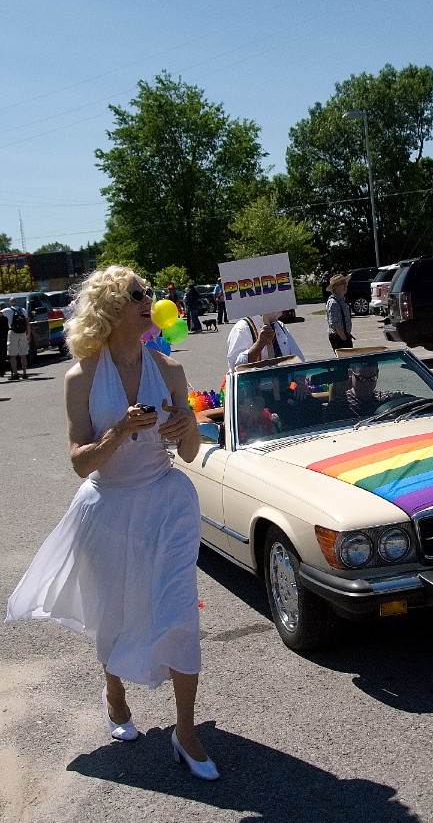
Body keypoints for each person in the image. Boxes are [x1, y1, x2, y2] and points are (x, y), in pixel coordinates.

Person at [5, 266, 219, 781]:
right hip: (107, 509)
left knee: (177, 612)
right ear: (108, 309)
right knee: (114, 610)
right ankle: (115, 692)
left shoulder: (167, 369)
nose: (148, 301)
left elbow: (189, 454)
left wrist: (185, 425)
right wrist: (121, 429)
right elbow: (80, 462)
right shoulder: (79, 377)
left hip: (166, 503)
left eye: (147, 294)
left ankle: (186, 732)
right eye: (134, 296)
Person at [227, 312, 304, 371]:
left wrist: (300, 382)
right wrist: (259, 344)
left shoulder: (280, 326)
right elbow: (236, 367)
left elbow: (299, 358)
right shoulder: (242, 328)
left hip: (283, 386)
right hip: (253, 389)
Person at [325, 361, 398, 420]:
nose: (366, 384)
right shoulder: (337, 406)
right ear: (350, 373)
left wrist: (397, 397)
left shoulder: (386, 399)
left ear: (377, 374)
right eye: (361, 379)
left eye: (372, 378)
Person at [2, 297, 32, 380]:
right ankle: (25, 373)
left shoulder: (6, 311)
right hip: (23, 333)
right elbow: (27, 323)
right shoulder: (23, 310)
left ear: (10, 303)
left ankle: (15, 374)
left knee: (12, 355)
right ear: (17, 302)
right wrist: (28, 335)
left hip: (12, 332)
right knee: (23, 354)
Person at [326, 273, 353, 352]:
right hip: (339, 338)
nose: (346, 285)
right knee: (345, 361)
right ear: (335, 287)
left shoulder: (341, 300)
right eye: (342, 283)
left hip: (344, 336)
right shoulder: (334, 302)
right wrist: (345, 340)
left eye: (346, 283)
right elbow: (337, 325)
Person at [0, 302, 8, 377]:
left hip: (3, 337)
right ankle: (2, 371)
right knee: (3, 355)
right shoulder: (5, 318)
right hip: (3, 338)